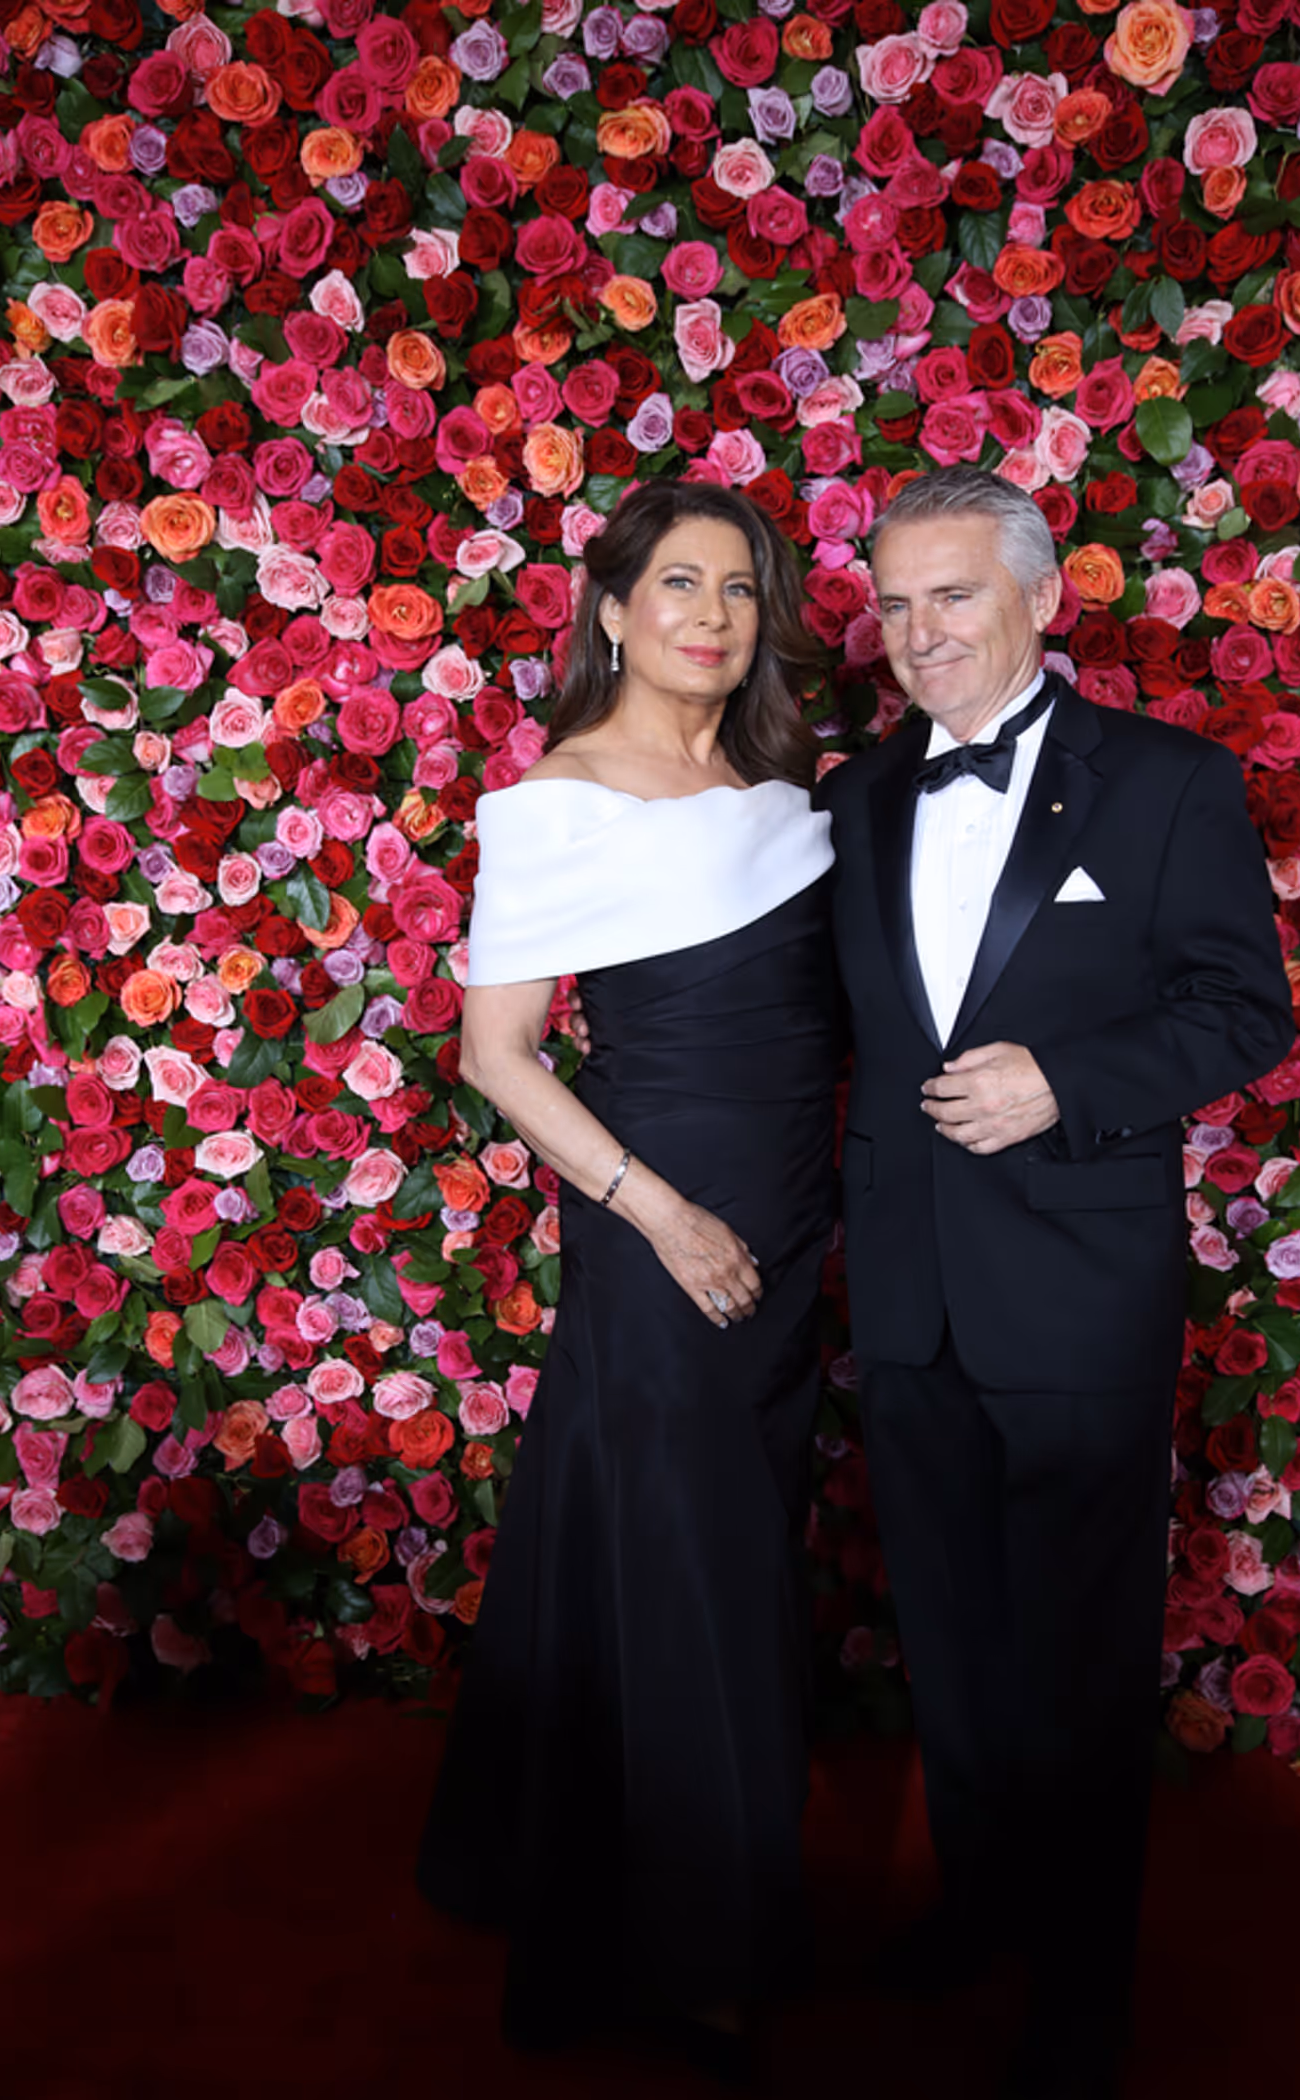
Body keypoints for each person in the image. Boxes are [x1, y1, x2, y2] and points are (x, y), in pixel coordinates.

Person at [816, 467, 1295, 2098]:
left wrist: (1068, 1083)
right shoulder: (862, 798)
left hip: (1081, 1286)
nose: (919, 633)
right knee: (946, 1633)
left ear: (1042, 599)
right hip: (906, 1286)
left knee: (1079, 1652)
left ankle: (1083, 1980)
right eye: (893, 604)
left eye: (951, 596)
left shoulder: (1166, 784)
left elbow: (1247, 1012)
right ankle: (981, 1909)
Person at [416, 481, 837, 2075]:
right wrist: (659, 1214)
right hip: (663, 1227)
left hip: (793, 1232)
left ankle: (577, 1862)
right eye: (679, 583)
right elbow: (496, 1054)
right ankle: (695, 1947)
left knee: (720, 1543)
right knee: (693, 1562)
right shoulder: (555, 803)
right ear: (611, 609)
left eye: (739, 588)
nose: (713, 615)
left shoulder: (788, 794)